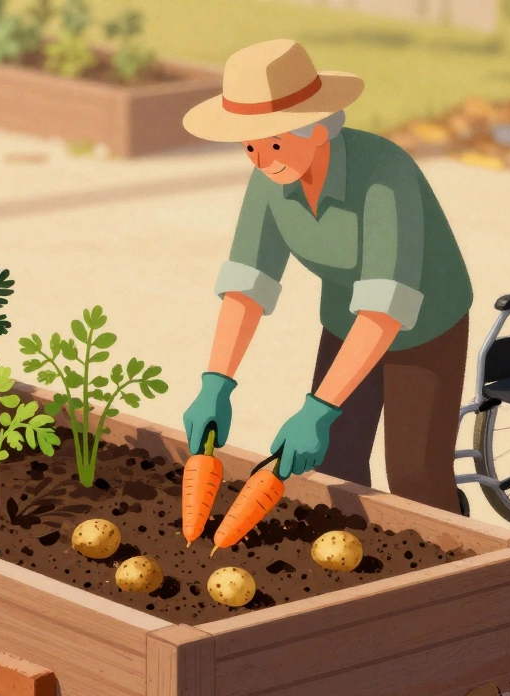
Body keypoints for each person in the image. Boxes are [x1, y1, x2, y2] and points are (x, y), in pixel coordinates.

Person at [180, 39, 473, 513]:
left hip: (425, 324)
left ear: (316, 130)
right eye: (249, 146)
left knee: (414, 476)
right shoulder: (270, 180)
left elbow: (385, 308)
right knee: (333, 464)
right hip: (344, 317)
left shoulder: (384, 173)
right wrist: (217, 382)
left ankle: (465, 568)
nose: (260, 158)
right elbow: (246, 284)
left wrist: (318, 408)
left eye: (273, 143)